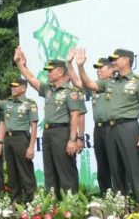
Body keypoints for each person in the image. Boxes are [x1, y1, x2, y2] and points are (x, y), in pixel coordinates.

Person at [74, 48, 139, 200]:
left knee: (133, 168)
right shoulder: (109, 83)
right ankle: (120, 207)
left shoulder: (138, 81)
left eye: (116, 59)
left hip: (128, 127)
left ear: (127, 60)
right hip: (110, 129)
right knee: (115, 169)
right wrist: (80, 66)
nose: (114, 62)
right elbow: (89, 84)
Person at [14, 48, 85, 198]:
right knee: (50, 171)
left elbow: (75, 117)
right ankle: (53, 205)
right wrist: (20, 64)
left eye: (51, 71)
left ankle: (71, 204)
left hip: (62, 133)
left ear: (60, 72)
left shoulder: (71, 92)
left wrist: (73, 139)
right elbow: (31, 79)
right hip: (48, 133)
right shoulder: (48, 89)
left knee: (66, 170)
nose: (48, 73)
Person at [0, 79, 39, 203]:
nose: (12, 88)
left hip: (21, 139)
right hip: (8, 139)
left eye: (15, 86)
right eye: (11, 86)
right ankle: (15, 201)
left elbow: (34, 126)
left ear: (23, 88)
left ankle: (31, 200)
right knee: (11, 171)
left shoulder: (30, 104)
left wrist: (31, 147)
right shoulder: (7, 103)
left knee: (25, 171)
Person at [68, 57, 115, 194]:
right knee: (102, 164)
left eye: (101, 68)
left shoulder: (115, 84)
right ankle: (106, 195)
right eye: (97, 68)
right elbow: (77, 82)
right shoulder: (94, 88)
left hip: (113, 127)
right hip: (99, 129)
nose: (98, 71)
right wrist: (69, 64)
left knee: (116, 163)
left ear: (111, 69)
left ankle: (121, 195)